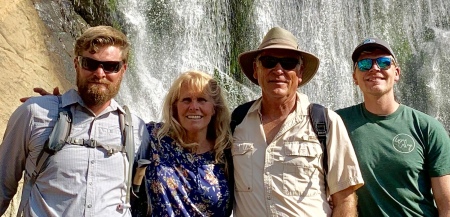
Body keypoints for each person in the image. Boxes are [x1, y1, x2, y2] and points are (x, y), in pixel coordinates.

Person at [0, 25, 149, 217]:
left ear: (123, 69)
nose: (100, 73)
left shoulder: (137, 129)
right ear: (76, 63)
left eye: (111, 66)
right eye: (90, 63)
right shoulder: (34, 114)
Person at [231, 26, 364, 217]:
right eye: (269, 62)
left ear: (300, 72)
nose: (278, 70)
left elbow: (345, 199)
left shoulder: (326, 122)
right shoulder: (237, 122)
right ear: (255, 70)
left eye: (288, 63)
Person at [336, 37, 450, 216]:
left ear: (396, 73)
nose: (375, 68)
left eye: (383, 62)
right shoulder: (336, 123)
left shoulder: (428, 127)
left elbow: (447, 206)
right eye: (365, 64)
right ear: (354, 78)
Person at [133, 70, 233, 216]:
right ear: (175, 107)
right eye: (186, 100)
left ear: (214, 108)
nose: (193, 107)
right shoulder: (153, 137)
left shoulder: (226, 151)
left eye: (202, 100)